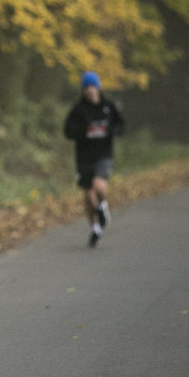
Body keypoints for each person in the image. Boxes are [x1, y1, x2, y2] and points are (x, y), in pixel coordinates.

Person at [63, 71, 124, 247]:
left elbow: (120, 124)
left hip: (103, 154)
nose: (90, 90)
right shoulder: (78, 110)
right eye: (86, 87)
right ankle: (95, 228)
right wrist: (83, 131)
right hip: (84, 157)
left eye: (92, 86)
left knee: (99, 186)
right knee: (88, 195)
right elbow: (67, 131)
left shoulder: (108, 106)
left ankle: (102, 207)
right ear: (83, 90)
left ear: (98, 87)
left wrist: (113, 130)